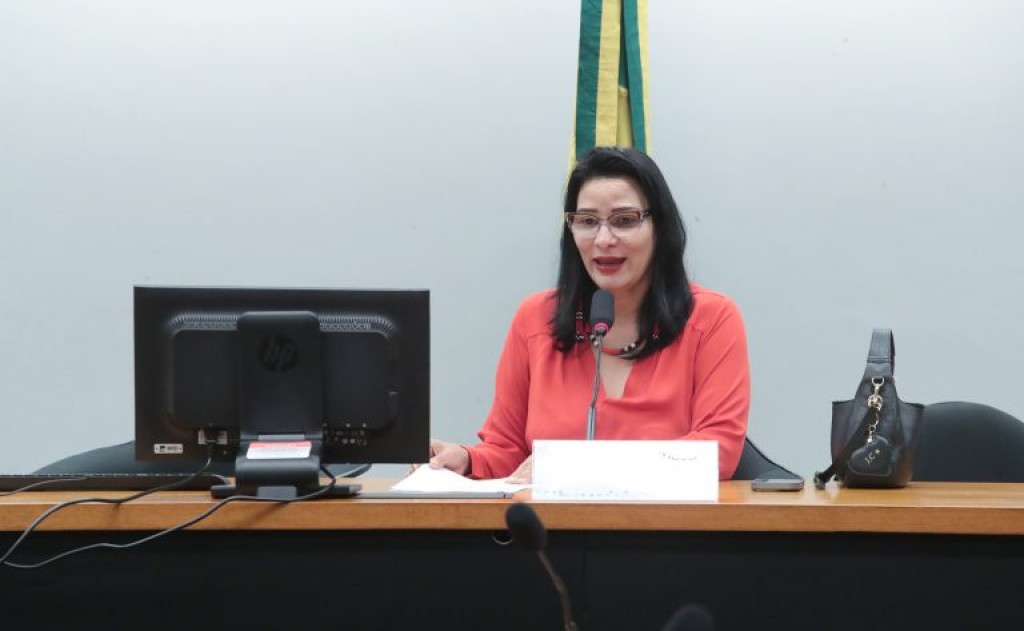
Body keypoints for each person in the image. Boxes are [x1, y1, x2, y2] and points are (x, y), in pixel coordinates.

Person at [429, 146, 750, 482]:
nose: (604, 239)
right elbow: (507, 450)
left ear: (660, 227)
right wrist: (465, 460)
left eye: (624, 221)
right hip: (551, 518)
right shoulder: (535, 318)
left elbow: (717, 452)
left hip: (666, 517)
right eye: (587, 222)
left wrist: (576, 466)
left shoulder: (712, 319)